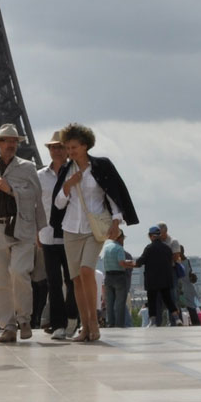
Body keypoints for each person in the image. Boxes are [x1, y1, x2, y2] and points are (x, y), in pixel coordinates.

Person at [49, 122, 138, 344]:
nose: (70, 152)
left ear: (85, 145)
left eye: (74, 147)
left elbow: (113, 193)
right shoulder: (67, 171)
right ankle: (85, 326)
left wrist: (117, 222)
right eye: (67, 148)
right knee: (77, 279)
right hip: (71, 228)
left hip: (93, 229)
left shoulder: (101, 166)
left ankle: (94, 322)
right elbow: (58, 204)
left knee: (87, 270)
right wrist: (68, 185)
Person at [0, 123, 42, 343]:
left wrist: (11, 190)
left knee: (19, 272)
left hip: (21, 226)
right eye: (7, 141)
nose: (11, 145)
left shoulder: (27, 168)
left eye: (14, 141)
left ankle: (24, 318)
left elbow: (36, 197)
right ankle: (8, 324)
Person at [35, 132, 76, 335]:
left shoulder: (74, 173)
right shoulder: (40, 176)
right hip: (48, 234)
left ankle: (71, 317)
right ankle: (59, 323)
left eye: (60, 147)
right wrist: (37, 230)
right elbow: (36, 205)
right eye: (53, 147)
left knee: (72, 279)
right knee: (53, 280)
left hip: (70, 232)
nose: (56, 151)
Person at [133, 226, 177, 328]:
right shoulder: (167, 248)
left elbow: (140, 262)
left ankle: (152, 322)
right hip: (165, 280)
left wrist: (131, 264)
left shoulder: (149, 248)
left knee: (152, 300)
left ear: (150, 236)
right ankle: (177, 318)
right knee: (168, 300)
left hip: (152, 280)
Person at [98, 226, 133, 328]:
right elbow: (121, 263)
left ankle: (111, 324)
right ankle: (119, 325)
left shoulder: (106, 247)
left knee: (110, 303)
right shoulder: (119, 248)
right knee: (119, 304)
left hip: (108, 277)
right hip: (119, 277)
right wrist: (131, 263)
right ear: (120, 238)